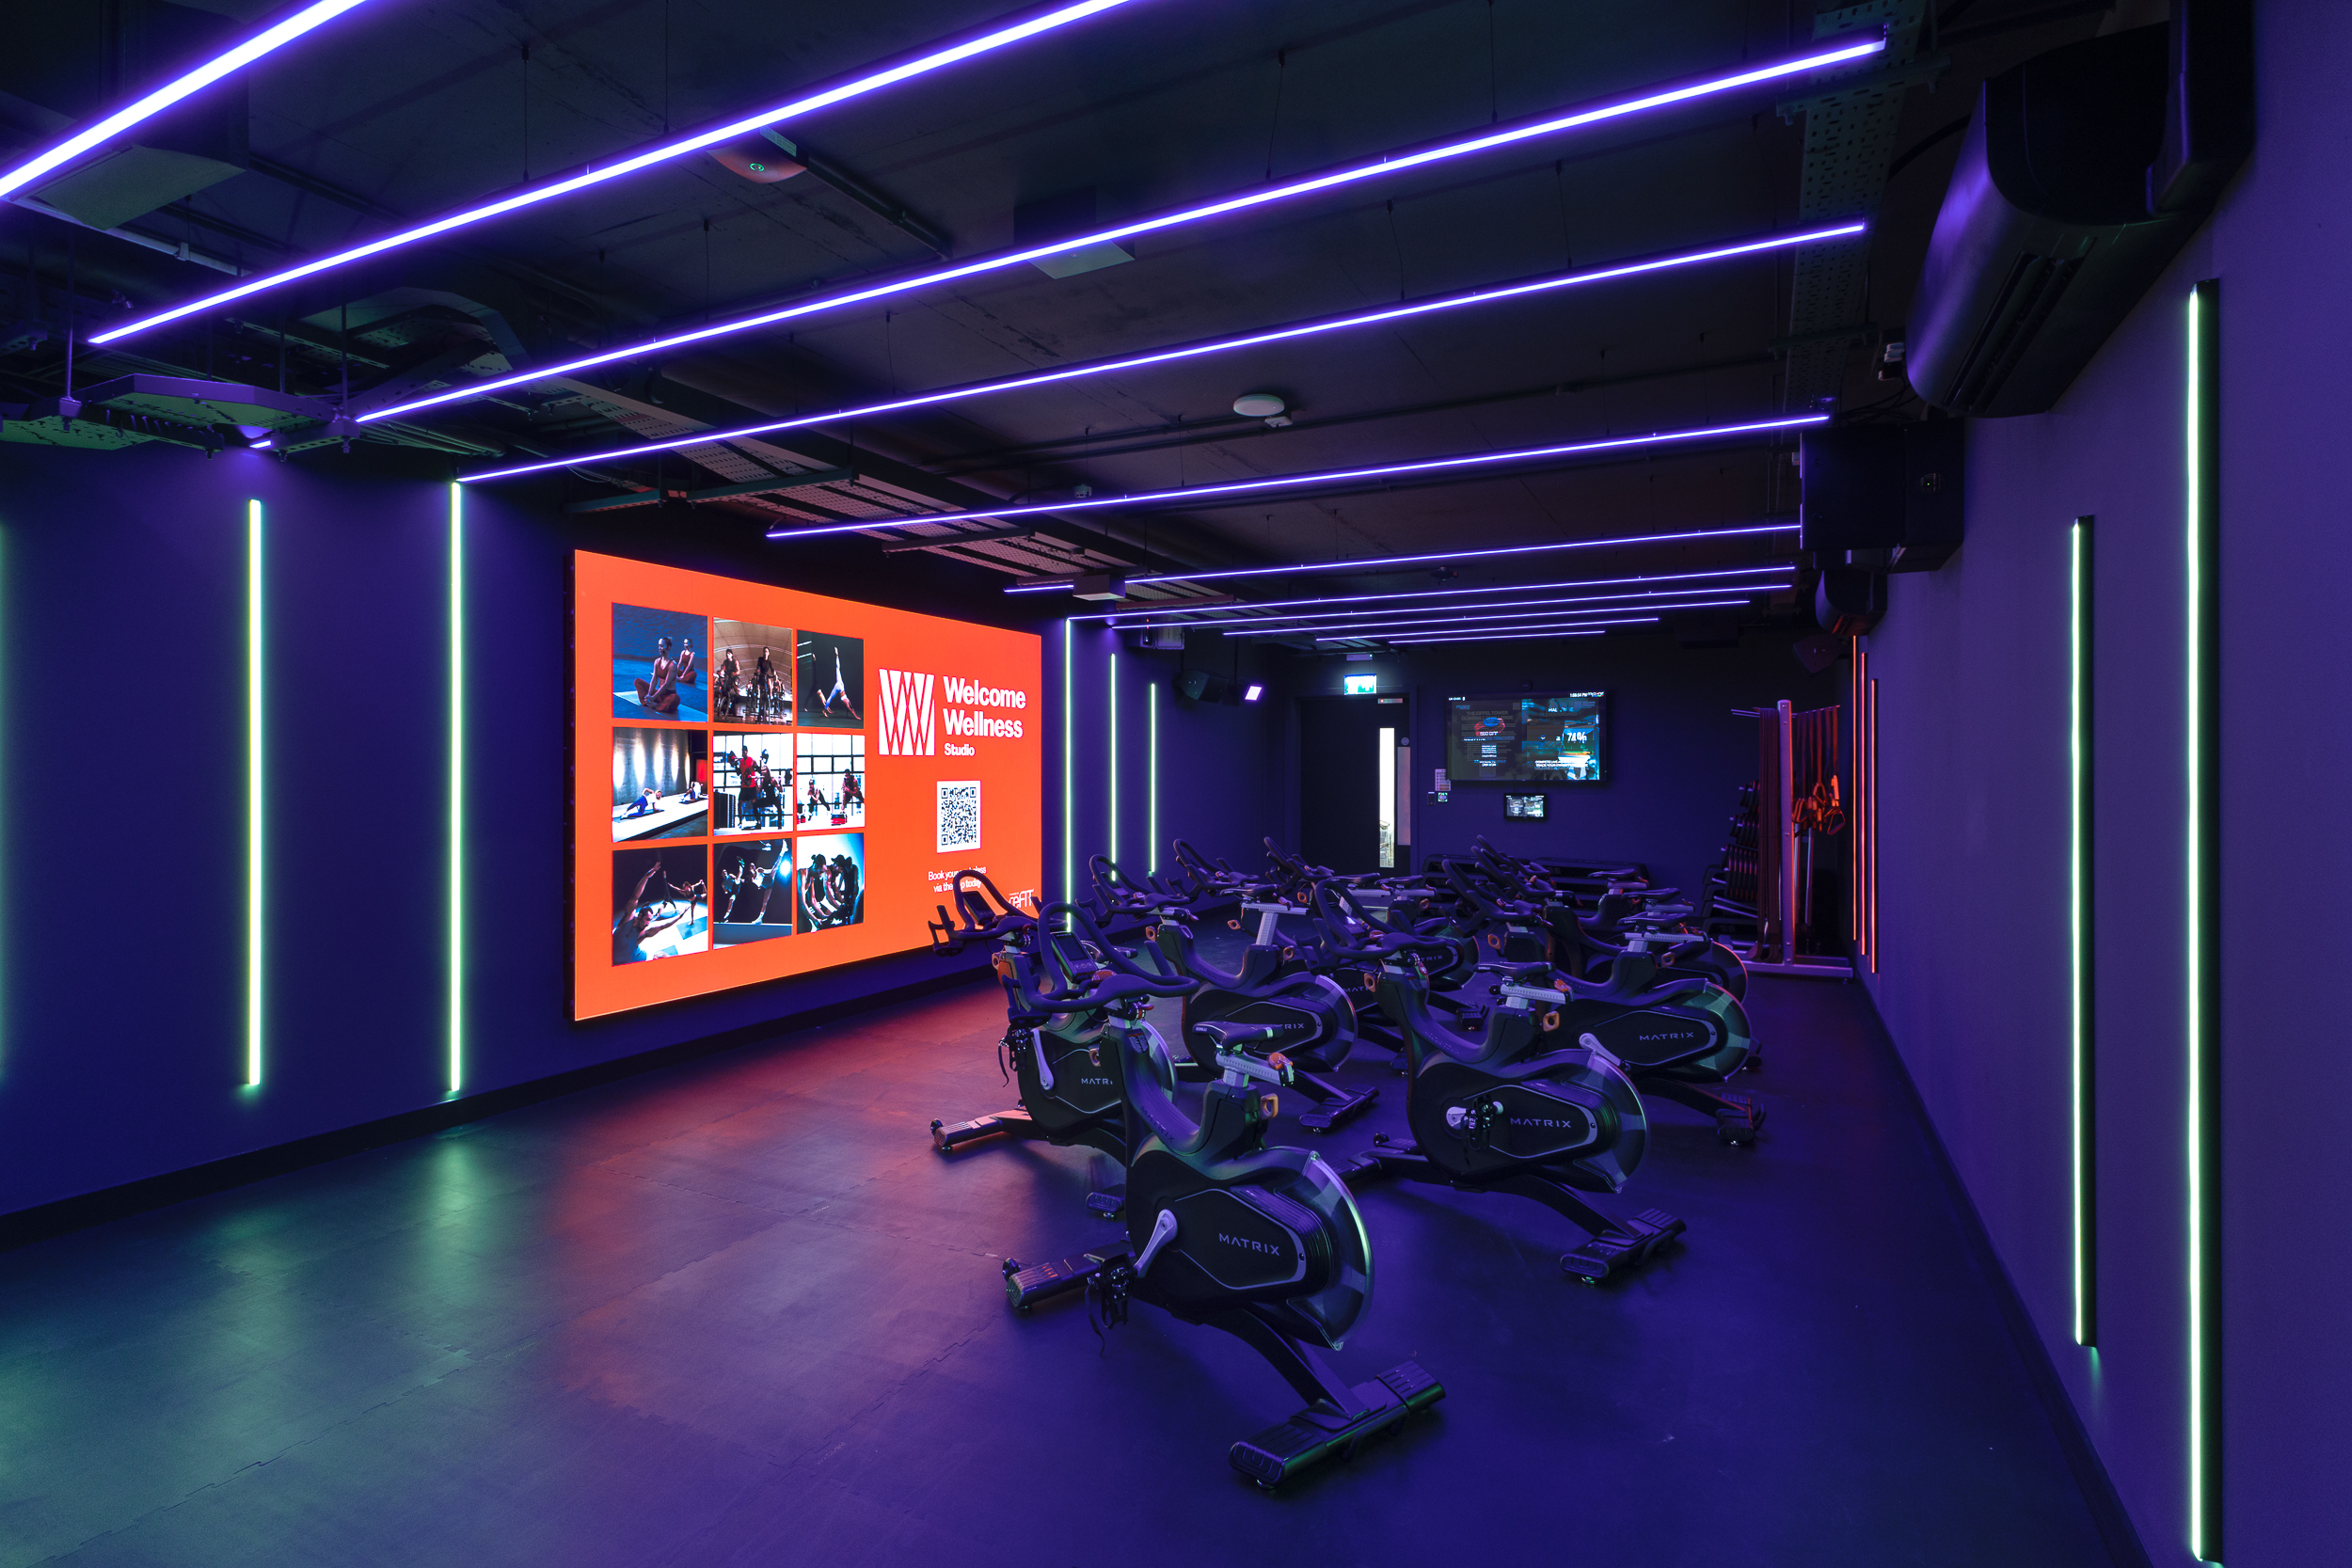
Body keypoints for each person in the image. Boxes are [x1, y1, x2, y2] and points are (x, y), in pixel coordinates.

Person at [633, 635, 681, 716]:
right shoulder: (657, 661)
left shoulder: (672, 664)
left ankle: (656, 705)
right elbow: (654, 679)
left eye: (662, 646)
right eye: (659, 646)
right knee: (638, 681)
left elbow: (666, 685)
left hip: (668, 696)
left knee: (675, 699)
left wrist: (653, 697)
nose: (659, 648)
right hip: (659, 694)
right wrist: (649, 694)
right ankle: (647, 701)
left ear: (669, 647)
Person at [813, 643, 860, 721]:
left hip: (839, 687)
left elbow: (850, 709)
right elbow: (851, 709)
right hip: (841, 685)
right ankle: (837, 655)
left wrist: (856, 716)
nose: (848, 702)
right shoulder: (847, 700)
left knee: (830, 698)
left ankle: (824, 710)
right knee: (838, 668)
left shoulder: (845, 701)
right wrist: (856, 716)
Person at [716, 647, 740, 719]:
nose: (727, 655)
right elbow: (723, 669)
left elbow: (739, 671)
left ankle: (737, 696)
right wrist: (721, 672)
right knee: (724, 687)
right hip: (728, 676)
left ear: (732, 655)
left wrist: (735, 673)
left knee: (735, 685)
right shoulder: (725, 662)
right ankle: (723, 702)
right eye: (727, 653)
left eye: (729, 653)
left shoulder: (735, 661)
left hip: (734, 676)